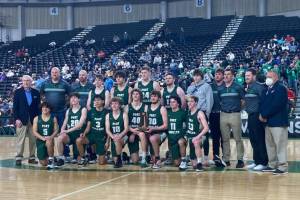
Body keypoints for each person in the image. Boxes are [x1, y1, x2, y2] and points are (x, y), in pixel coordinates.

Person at [260, 71, 289, 175]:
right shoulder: (265, 90)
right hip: (268, 122)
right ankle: (272, 165)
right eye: (266, 76)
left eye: (270, 76)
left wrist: (264, 115)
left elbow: (276, 105)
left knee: (280, 145)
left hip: (278, 122)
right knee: (270, 145)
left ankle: (283, 166)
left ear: (276, 78)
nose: (267, 78)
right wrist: (261, 114)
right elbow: (262, 104)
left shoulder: (280, 88)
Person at [219, 68, 245, 168]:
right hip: (223, 115)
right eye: (225, 74)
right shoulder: (220, 88)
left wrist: (237, 108)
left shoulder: (238, 87)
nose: (226, 76)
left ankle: (240, 159)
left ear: (233, 76)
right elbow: (220, 101)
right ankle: (226, 159)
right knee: (225, 139)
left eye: (228, 74)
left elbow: (243, 101)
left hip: (235, 114)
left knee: (238, 138)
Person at [187, 69, 213, 165]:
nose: (196, 77)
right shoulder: (190, 87)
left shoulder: (206, 86)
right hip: (192, 113)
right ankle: (193, 157)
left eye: (198, 76)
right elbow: (188, 101)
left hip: (203, 112)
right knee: (191, 135)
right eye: (194, 76)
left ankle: (206, 158)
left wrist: (208, 114)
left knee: (204, 136)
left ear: (201, 77)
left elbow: (209, 100)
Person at [13, 75, 40, 166]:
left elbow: (38, 108)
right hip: (21, 120)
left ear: (31, 81)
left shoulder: (36, 92)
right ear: (22, 82)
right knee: (21, 140)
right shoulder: (17, 92)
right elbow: (15, 108)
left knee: (33, 140)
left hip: (33, 121)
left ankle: (32, 158)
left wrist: (38, 120)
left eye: (27, 80)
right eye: (24, 80)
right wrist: (16, 119)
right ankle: (19, 157)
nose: (25, 82)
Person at [244, 68, 268, 171]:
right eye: (245, 76)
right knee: (253, 140)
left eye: (248, 76)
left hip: (258, 116)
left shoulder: (259, 87)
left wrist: (262, 114)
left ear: (254, 76)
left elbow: (264, 102)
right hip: (250, 116)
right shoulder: (248, 87)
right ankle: (257, 161)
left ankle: (263, 162)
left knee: (260, 140)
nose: (246, 78)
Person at [76, 95, 109, 165]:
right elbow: (88, 126)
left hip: (102, 137)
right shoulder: (91, 111)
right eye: (95, 100)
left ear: (103, 101)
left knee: (101, 163)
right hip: (92, 135)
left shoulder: (107, 112)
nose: (96, 102)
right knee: (79, 140)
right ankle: (84, 158)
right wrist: (84, 133)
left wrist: (108, 141)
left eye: (98, 100)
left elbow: (109, 129)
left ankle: (105, 155)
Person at [56, 93, 87, 166]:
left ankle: (83, 157)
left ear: (79, 99)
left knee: (78, 161)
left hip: (79, 134)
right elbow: (64, 123)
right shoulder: (68, 110)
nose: (73, 99)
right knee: (60, 138)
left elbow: (80, 125)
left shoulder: (83, 109)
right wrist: (62, 131)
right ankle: (61, 158)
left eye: (75, 98)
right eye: (71, 98)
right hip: (70, 135)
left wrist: (67, 131)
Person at [143, 91, 168, 169]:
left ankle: (157, 158)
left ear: (159, 98)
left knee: (152, 138)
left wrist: (153, 128)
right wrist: (143, 128)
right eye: (152, 96)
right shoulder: (147, 107)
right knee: (142, 135)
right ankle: (145, 156)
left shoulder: (162, 108)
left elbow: (165, 126)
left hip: (161, 132)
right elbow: (144, 122)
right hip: (150, 131)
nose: (153, 98)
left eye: (155, 96)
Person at [124, 89, 148, 166]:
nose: (135, 95)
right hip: (130, 131)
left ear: (140, 96)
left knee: (142, 134)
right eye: (133, 94)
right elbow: (125, 123)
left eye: (137, 94)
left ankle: (144, 157)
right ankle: (125, 156)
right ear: (131, 96)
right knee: (135, 161)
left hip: (141, 130)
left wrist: (135, 132)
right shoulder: (127, 107)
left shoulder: (145, 106)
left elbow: (144, 124)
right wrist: (132, 131)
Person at [186, 96, 209, 172]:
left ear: (196, 102)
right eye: (188, 101)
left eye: (191, 101)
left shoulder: (200, 113)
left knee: (195, 141)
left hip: (200, 136)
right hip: (190, 137)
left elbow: (206, 128)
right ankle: (191, 160)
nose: (189, 103)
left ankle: (200, 163)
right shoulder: (188, 111)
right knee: (193, 165)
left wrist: (198, 136)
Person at [32, 102, 59, 169]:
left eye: (47, 107)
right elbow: (34, 132)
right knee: (43, 163)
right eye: (43, 107)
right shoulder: (36, 118)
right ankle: (52, 159)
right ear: (41, 108)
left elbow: (56, 130)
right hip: (40, 141)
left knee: (49, 141)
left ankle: (51, 160)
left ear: (50, 109)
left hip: (49, 139)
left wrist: (51, 137)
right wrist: (42, 138)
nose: (45, 108)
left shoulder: (53, 118)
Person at [209, 68, 226, 167]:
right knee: (215, 137)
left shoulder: (226, 86)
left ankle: (225, 157)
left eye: (219, 74)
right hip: (213, 114)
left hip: (223, 114)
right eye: (216, 74)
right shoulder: (211, 86)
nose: (217, 76)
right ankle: (215, 157)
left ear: (223, 75)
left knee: (224, 136)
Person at [105, 97, 129, 168]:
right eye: (112, 104)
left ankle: (119, 159)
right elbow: (107, 130)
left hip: (124, 136)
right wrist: (112, 137)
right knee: (114, 160)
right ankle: (122, 156)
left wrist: (120, 135)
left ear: (119, 105)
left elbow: (126, 129)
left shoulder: (124, 115)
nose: (114, 105)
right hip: (113, 137)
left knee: (118, 140)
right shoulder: (108, 115)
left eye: (116, 103)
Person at [167, 96, 188, 170]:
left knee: (181, 142)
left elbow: (187, 125)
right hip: (172, 139)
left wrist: (185, 136)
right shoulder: (168, 113)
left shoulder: (183, 113)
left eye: (173, 102)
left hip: (180, 137)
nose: (171, 103)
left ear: (178, 103)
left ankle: (184, 160)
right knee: (176, 163)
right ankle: (174, 156)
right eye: (170, 102)